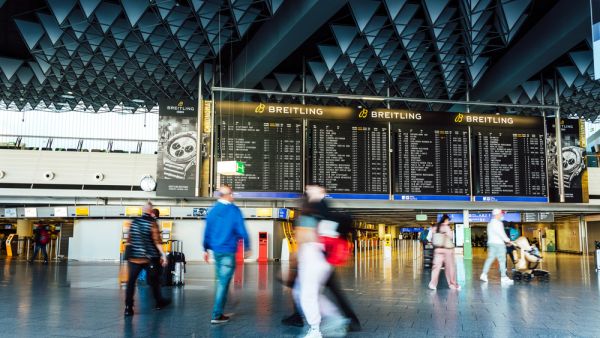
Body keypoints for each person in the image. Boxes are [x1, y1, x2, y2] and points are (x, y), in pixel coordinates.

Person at [294, 185, 347, 338]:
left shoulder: (308, 216)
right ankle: (335, 318)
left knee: (306, 295)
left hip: (312, 259)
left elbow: (306, 238)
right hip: (322, 261)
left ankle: (315, 330)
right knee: (307, 293)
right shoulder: (325, 216)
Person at [204, 185, 251, 324]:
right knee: (223, 284)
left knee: (222, 281)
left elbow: (207, 231)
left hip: (216, 251)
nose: (233, 196)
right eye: (232, 193)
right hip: (228, 252)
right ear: (225, 195)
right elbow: (241, 230)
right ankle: (216, 315)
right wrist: (247, 246)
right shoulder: (234, 210)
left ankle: (224, 304)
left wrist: (204, 249)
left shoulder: (212, 211)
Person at [124, 203, 170, 316]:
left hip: (134, 258)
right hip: (148, 258)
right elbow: (157, 241)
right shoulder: (152, 223)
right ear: (151, 211)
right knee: (154, 281)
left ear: (142, 210)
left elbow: (129, 240)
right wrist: (163, 255)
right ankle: (159, 302)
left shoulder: (134, 222)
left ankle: (128, 308)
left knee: (131, 283)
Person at [480, 209, 514, 284]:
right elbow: (501, 233)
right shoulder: (498, 223)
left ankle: (484, 274)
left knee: (489, 259)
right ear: (497, 214)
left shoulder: (489, 224)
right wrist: (508, 240)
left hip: (491, 243)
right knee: (502, 261)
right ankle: (504, 277)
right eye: (501, 214)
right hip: (499, 244)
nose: (502, 215)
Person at [428, 214, 460, 290]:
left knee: (436, 267)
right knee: (449, 268)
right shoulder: (446, 227)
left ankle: (433, 284)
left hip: (437, 250)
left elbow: (430, 238)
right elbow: (451, 237)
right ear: (446, 220)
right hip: (447, 250)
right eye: (448, 220)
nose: (448, 222)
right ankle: (452, 285)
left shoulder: (434, 227)